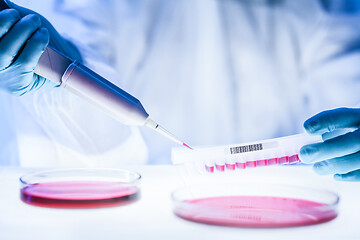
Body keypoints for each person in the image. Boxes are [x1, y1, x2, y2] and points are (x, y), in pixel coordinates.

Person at [0, 0, 360, 181]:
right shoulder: (105, 7)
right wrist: (63, 69)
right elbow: (92, 155)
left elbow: (348, 88)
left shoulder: (314, 10)